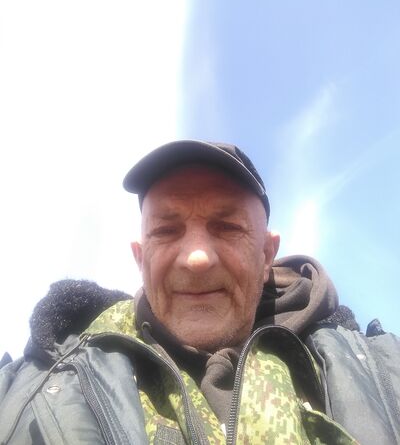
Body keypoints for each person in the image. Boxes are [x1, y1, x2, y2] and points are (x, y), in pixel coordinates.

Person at [0, 140, 399, 445]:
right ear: (140, 257)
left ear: (266, 254)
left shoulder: (383, 371)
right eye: (166, 230)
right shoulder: (25, 391)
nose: (196, 258)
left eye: (227, 227)